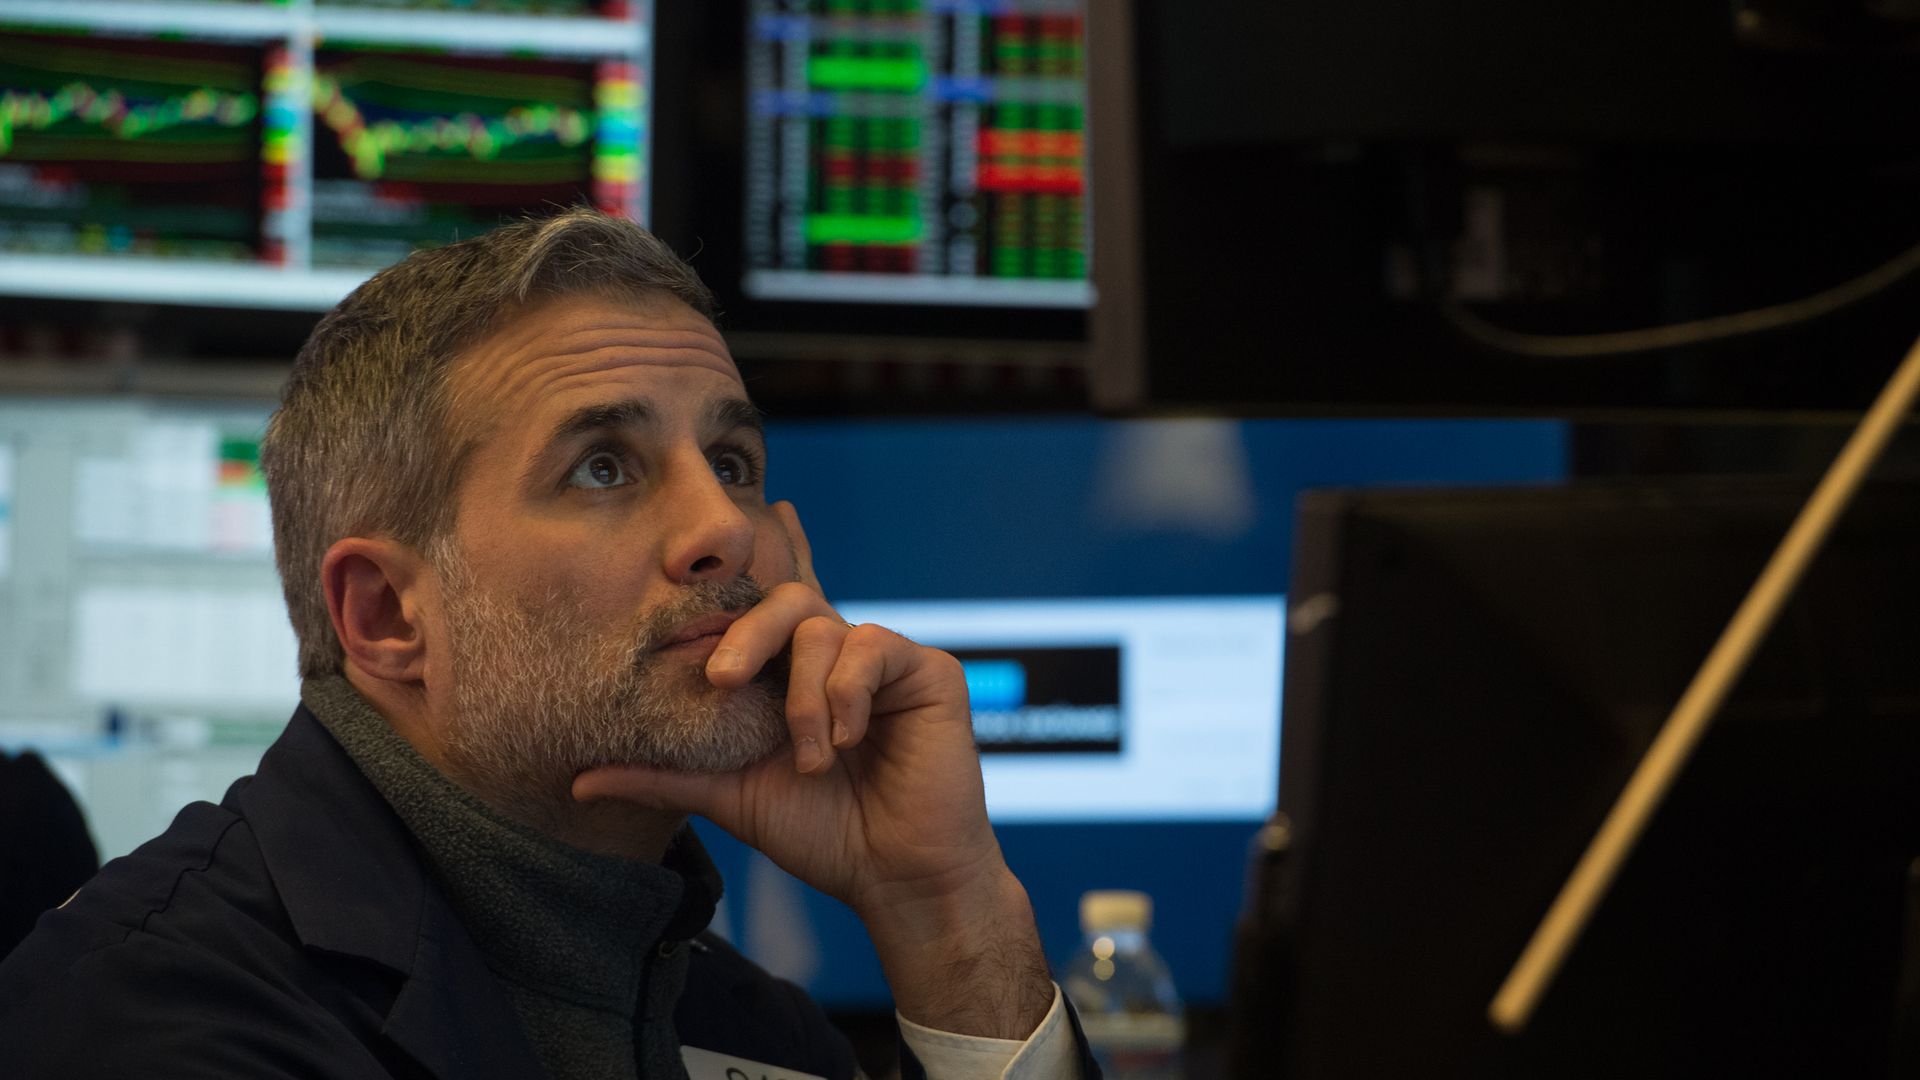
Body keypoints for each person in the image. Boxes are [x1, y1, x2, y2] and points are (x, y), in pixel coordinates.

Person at [0, 209, 1095, 1079]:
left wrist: (947, 918)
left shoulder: (750, 1026)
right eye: (604, 467)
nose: (723, 526)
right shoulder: (150, 1019)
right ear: (385, 616)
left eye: (732, 462)